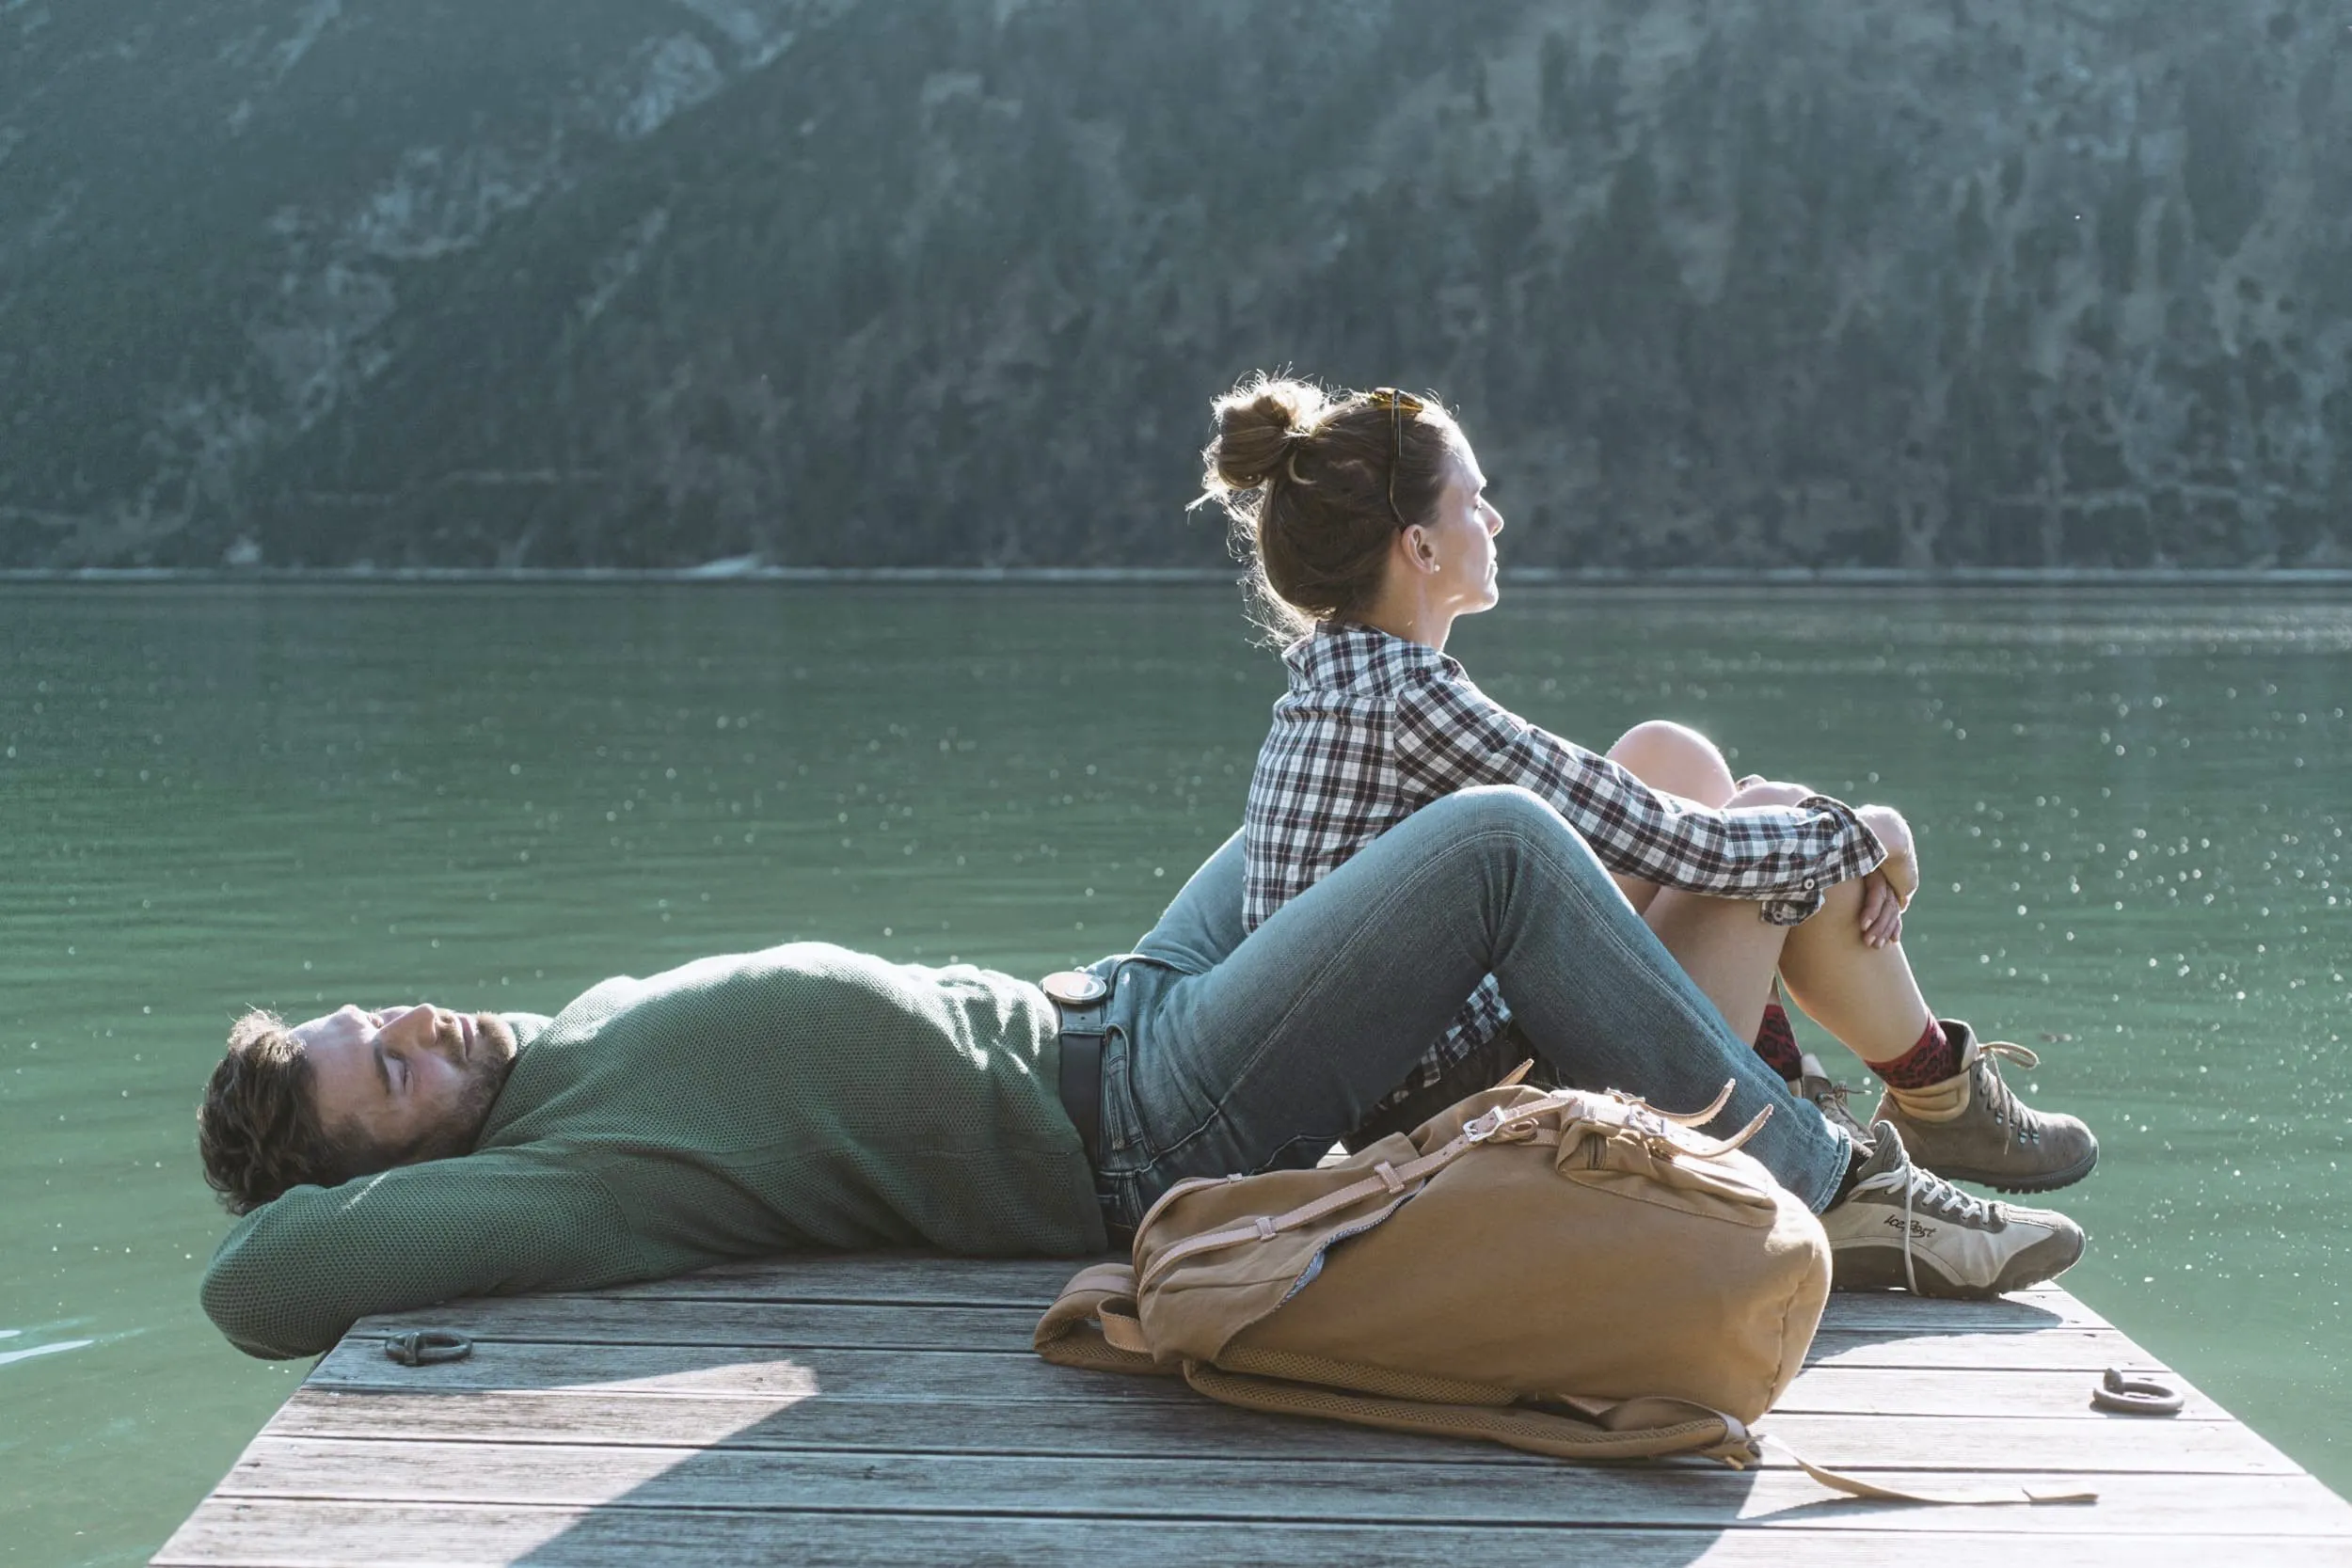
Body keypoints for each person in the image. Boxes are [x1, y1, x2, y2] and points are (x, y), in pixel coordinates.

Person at [195, 790, 2082, 1361]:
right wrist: (342, 1193)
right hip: (1134, 1117)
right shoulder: (562, 1169)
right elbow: (252, 1285)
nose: (420, 1029)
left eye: (383, 1016)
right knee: (1502, 841)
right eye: (389, 1079)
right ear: (389, 1165)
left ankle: (1812, 1019)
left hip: (1120, 992)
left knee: (1457, 776)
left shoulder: (561, 1036)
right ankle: (1846, 1184)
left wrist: (380, 1104)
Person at [1197, 373, 2096, 1194]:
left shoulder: (1342, 677)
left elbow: (1634, 810)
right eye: (1476, 501)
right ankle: (1929, 1089)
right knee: (1774, 828)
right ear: (1421, 546)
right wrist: (1872, 833)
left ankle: (1828, 1084)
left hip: (1439, 1059)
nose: (1498, 522)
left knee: (1673, 758)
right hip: (1467, 1122)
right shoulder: (1410, 700)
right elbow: (1687, 848)